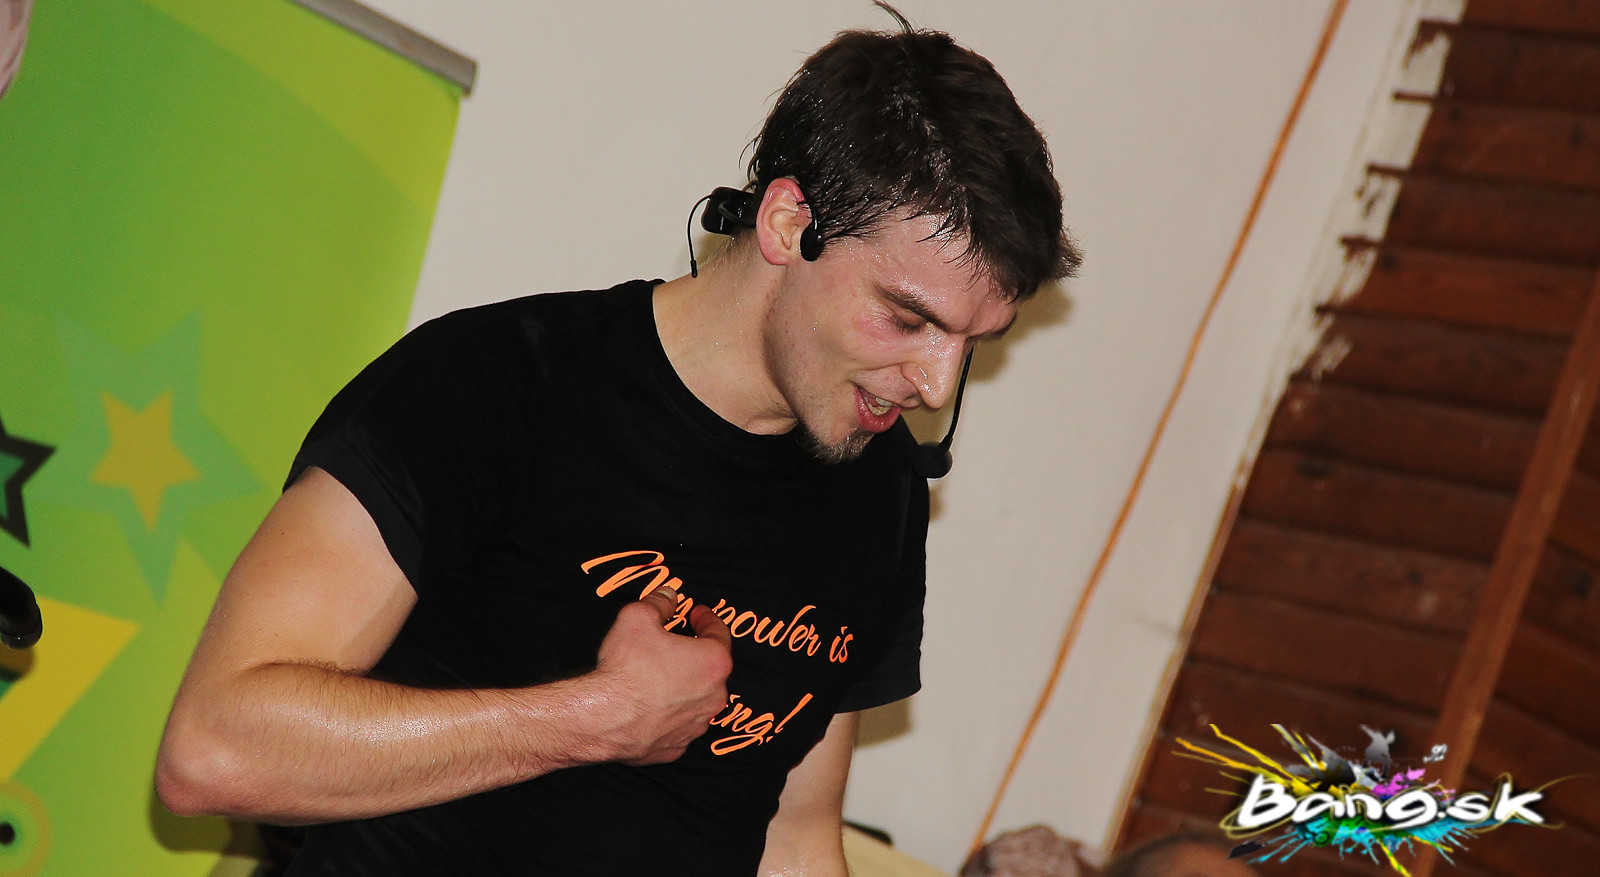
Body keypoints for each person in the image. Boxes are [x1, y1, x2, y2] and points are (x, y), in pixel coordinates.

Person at [156, 5, 1080, 875]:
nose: (936, 385)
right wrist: (594, 717)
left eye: (973, 343)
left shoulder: (880, 488)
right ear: (788, 224)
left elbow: (793, 836)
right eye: (908, 319)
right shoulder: (496, 384)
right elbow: (214, 749)